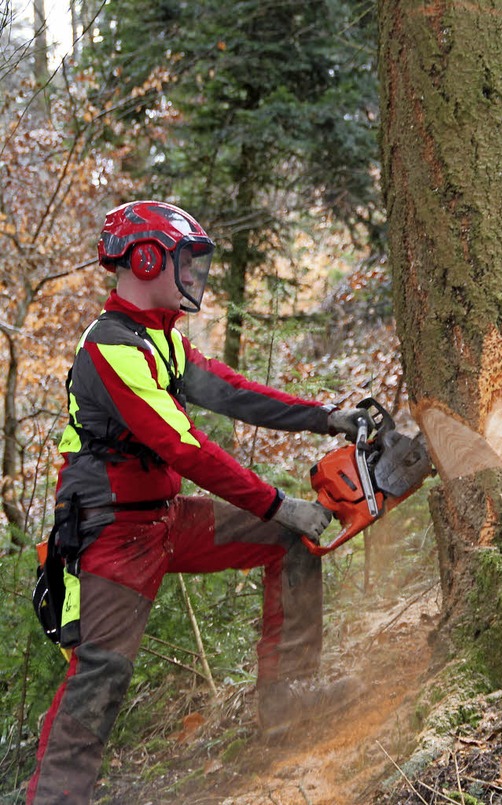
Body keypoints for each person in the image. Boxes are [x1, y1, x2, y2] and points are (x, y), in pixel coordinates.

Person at [28, 200, 371, 804]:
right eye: (186, 262)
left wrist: (325, 418)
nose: (195, 276)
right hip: (112, 537)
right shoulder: (112, 348)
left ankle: (284, 705)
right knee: (99, 680)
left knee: (290, 542)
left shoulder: (158, 339)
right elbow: (184, 447)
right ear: (147, 258)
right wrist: (276, 502)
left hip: (164, 521)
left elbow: (232, 393)